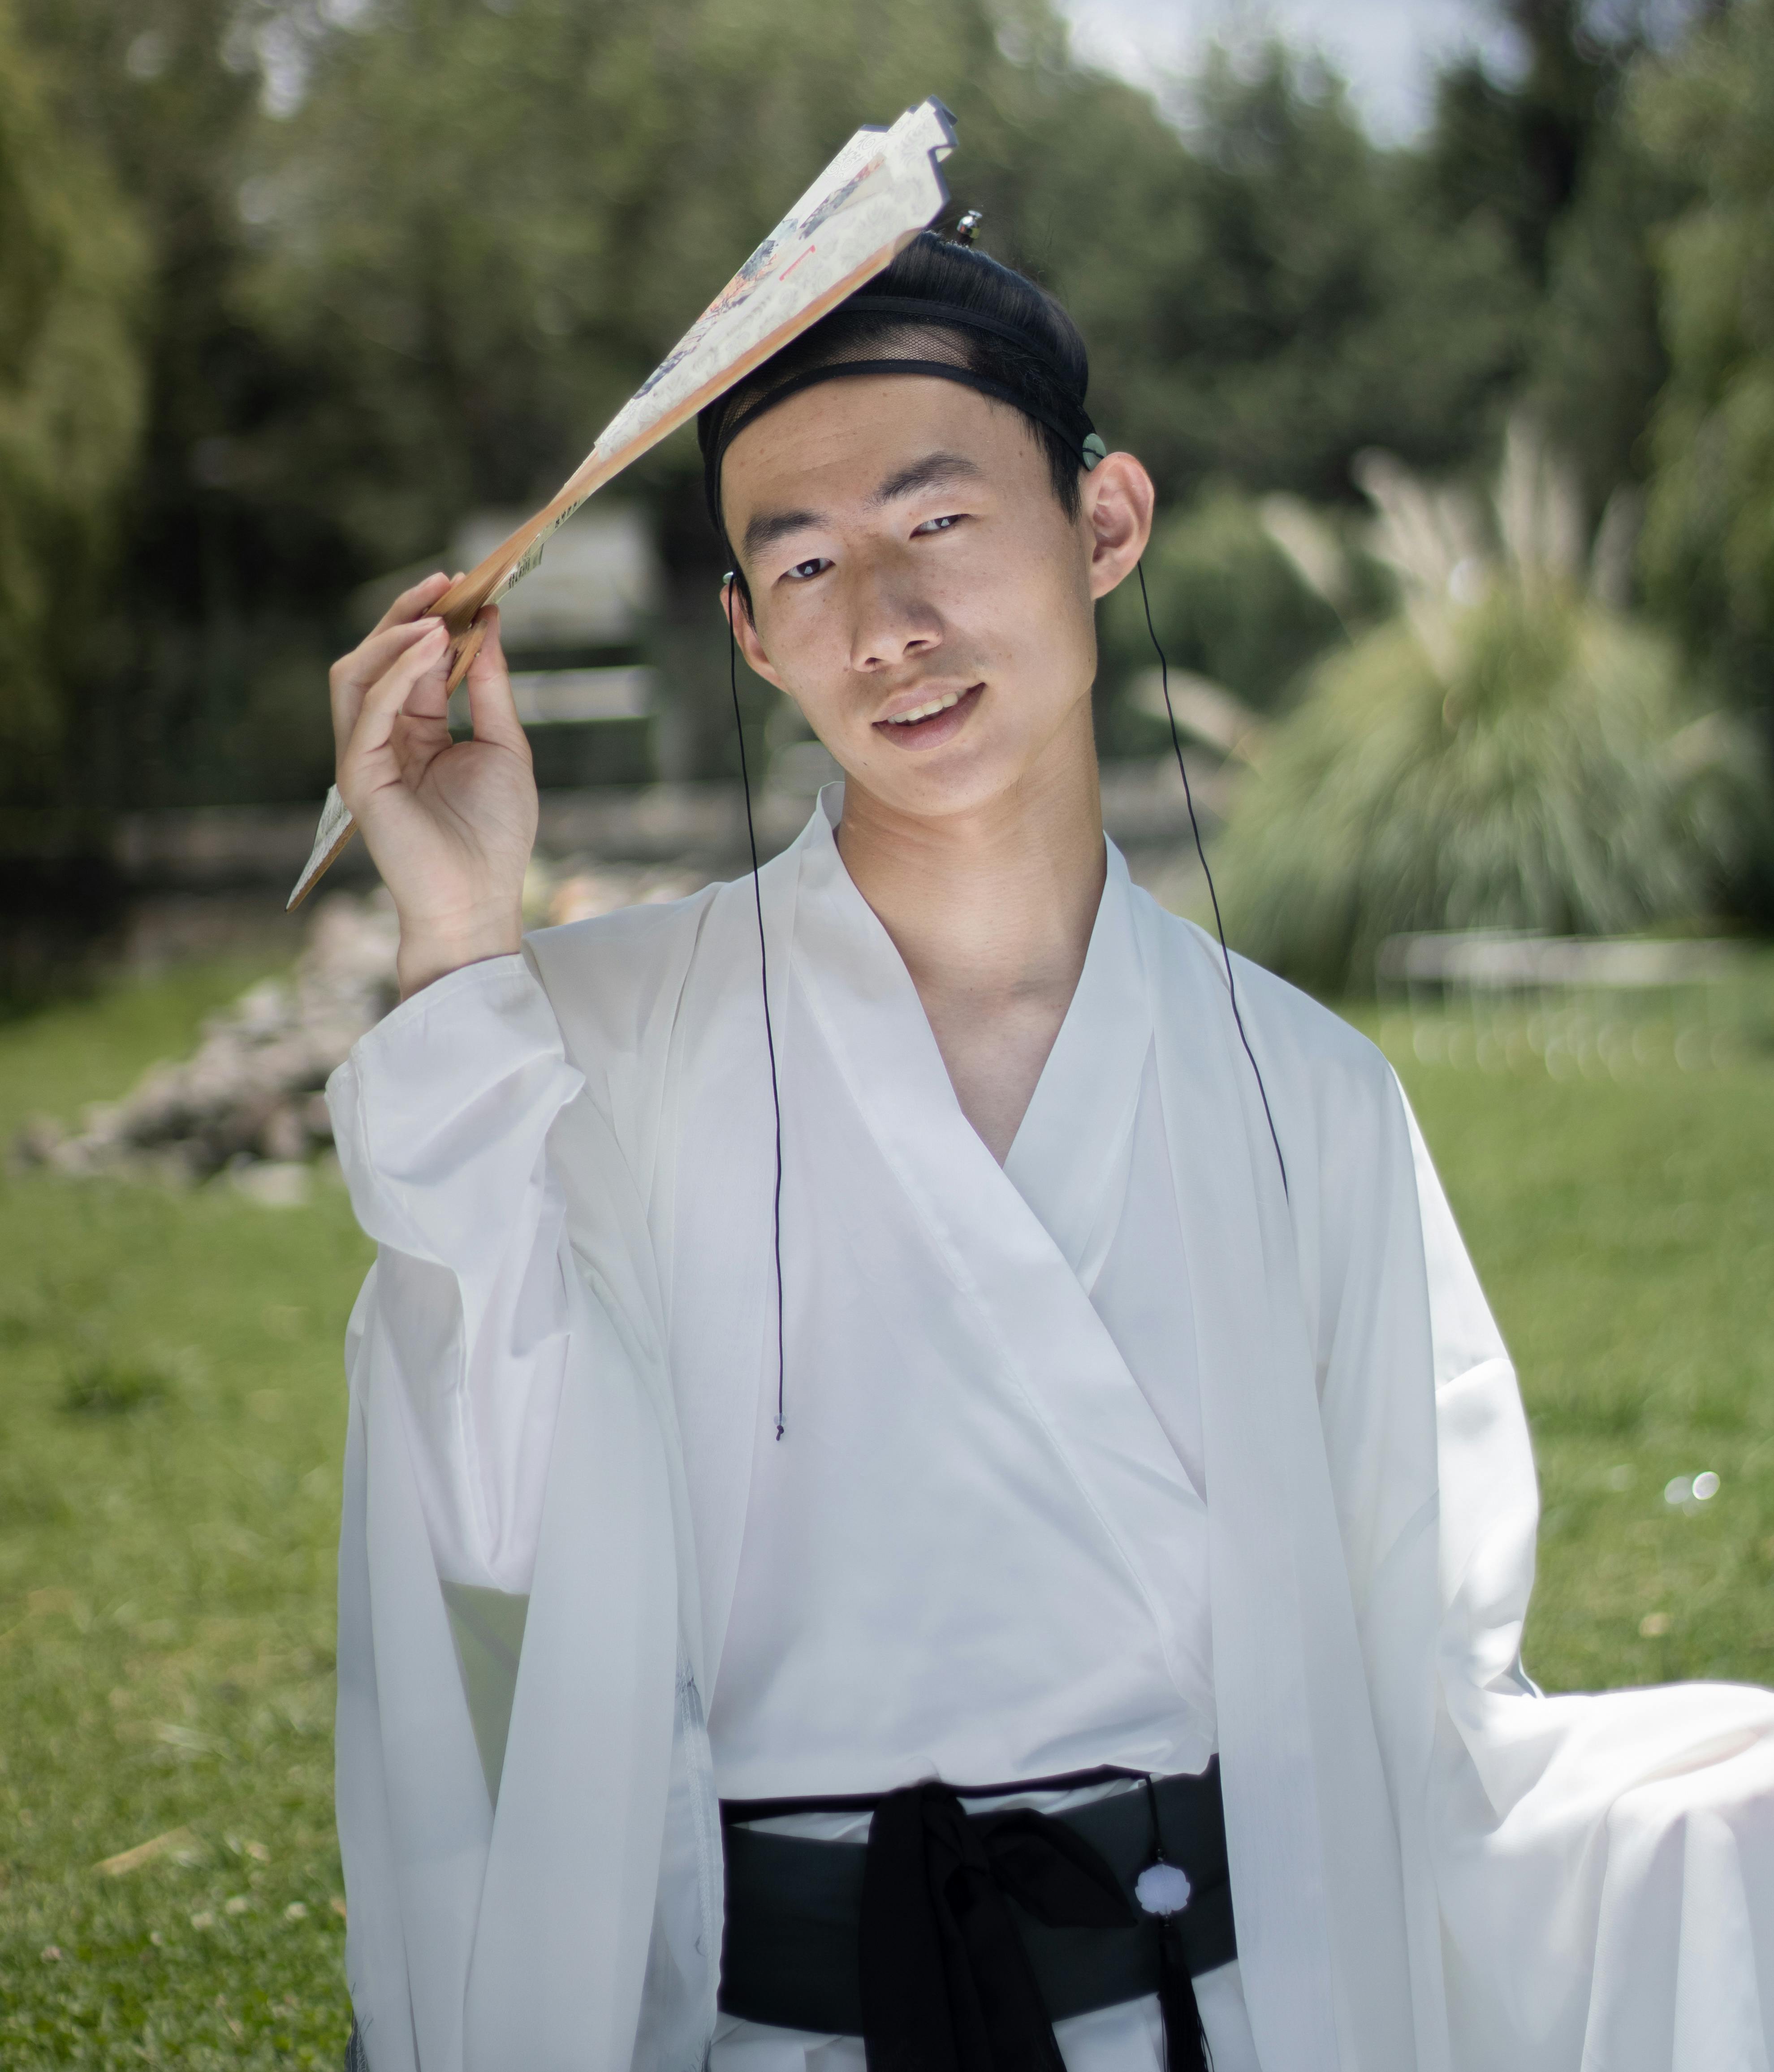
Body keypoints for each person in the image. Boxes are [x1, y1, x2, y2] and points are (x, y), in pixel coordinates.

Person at [324, 233, 1774, 2072]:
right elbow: (489, 1539)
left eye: (938, 524)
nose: (886, 624)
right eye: (807, 561)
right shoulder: (599, 1045)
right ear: (749, 633)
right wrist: (459, 930)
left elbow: (1425, 1697)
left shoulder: (1308, 1096)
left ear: (1105, 522)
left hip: (1207, 2026)